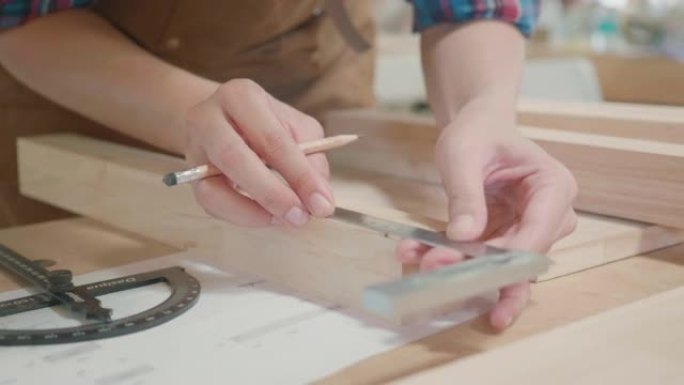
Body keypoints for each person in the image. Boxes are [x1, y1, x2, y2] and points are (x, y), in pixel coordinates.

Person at [0, 0, 577, 330]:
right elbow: (20, 14)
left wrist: (484, 110)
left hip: (308, 77)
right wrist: (185, 116)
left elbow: (465, 7)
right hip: (79, 84)